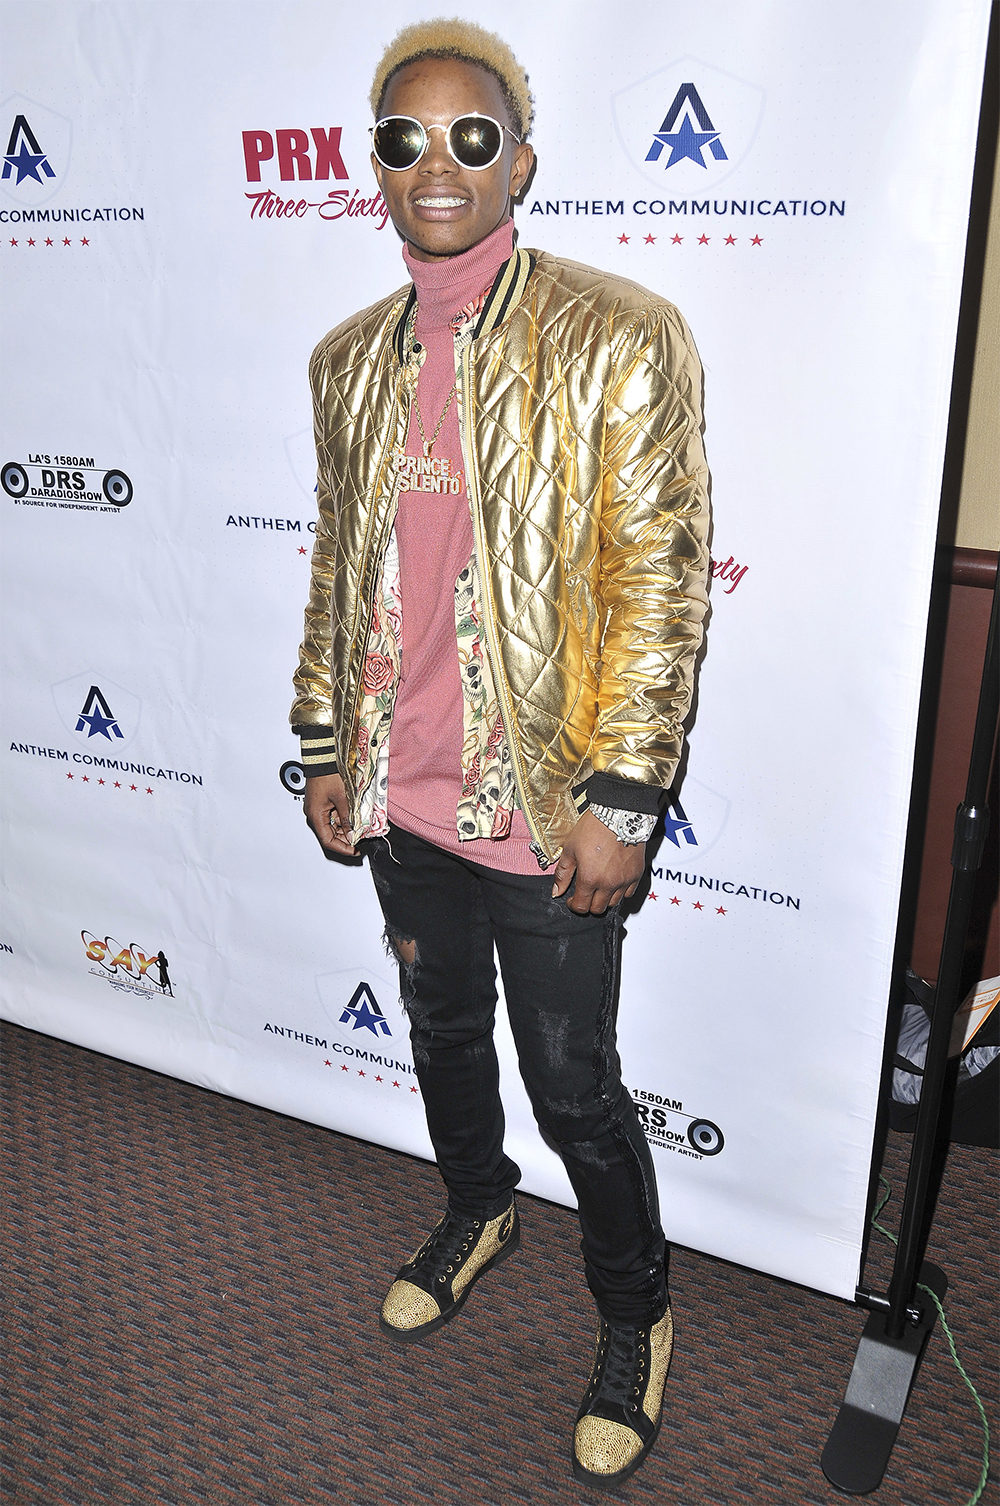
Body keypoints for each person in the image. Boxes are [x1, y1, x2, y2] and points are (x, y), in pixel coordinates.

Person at [291, 18, 709, 1487]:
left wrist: (625, 794)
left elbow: (660, 581)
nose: (440, 164)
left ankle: (636, 1316)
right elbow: (337, 571)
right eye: (406, 139)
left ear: (520, 161)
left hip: (543, 800)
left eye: (473, 137)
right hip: (400, 793)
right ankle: (477, 1209)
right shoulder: (348, 361)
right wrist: (322, 743)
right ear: (377, 165)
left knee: (575, 1082)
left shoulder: (619, 333)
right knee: (442, 1034)